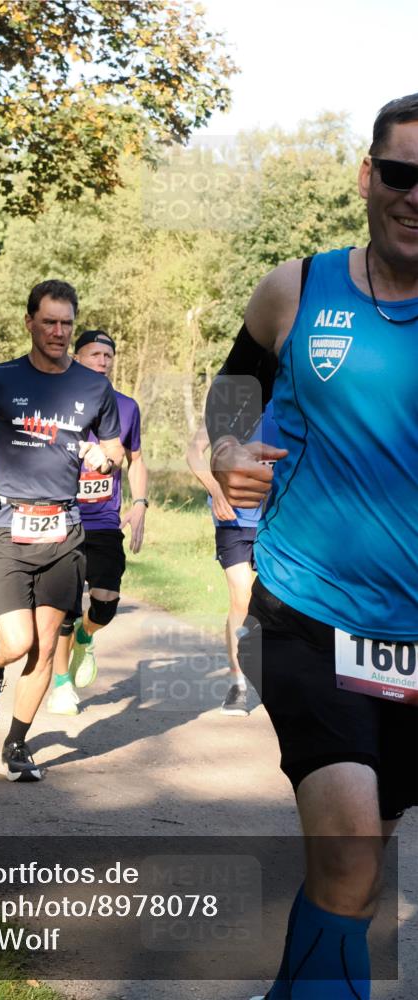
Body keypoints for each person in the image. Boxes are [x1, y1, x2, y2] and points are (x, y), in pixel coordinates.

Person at [206, 95, 417, 1000]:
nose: (417, 197)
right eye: (402, 175)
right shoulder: (296, 287)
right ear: (369, 176)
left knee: (357, 871)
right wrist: (226, 451)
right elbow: (232, 389)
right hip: (304, 612)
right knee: (351, 859)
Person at [0, 279, 124, 782]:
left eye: (66, 323)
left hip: (64, 526)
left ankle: (16, 745)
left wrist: (105, 457)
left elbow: (116, 450)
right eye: (49, 321)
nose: (58, 331)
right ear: (29, 322)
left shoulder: (95, 387)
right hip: (7, 524)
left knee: (47, 646)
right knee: (16, 641)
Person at [47, 330, 148, 716]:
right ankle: (60, 684)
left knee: (104, 604)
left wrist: (139, 503)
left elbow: (136, 459)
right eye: (95, 354)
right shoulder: (57, 403)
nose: (103, 361)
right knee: (63, 610)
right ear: (77, 357)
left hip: (105, 520)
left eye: (108, 355)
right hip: (63, 517)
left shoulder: (126, 407)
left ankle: (86, 638)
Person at [185, 400, 278, 716]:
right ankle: (238, 684)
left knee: (279, 603)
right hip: (233, 520)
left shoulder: (291, 402)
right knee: (242, 596)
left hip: (277, 519)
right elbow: (194, 453)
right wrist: (216, 489)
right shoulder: (232, 406)